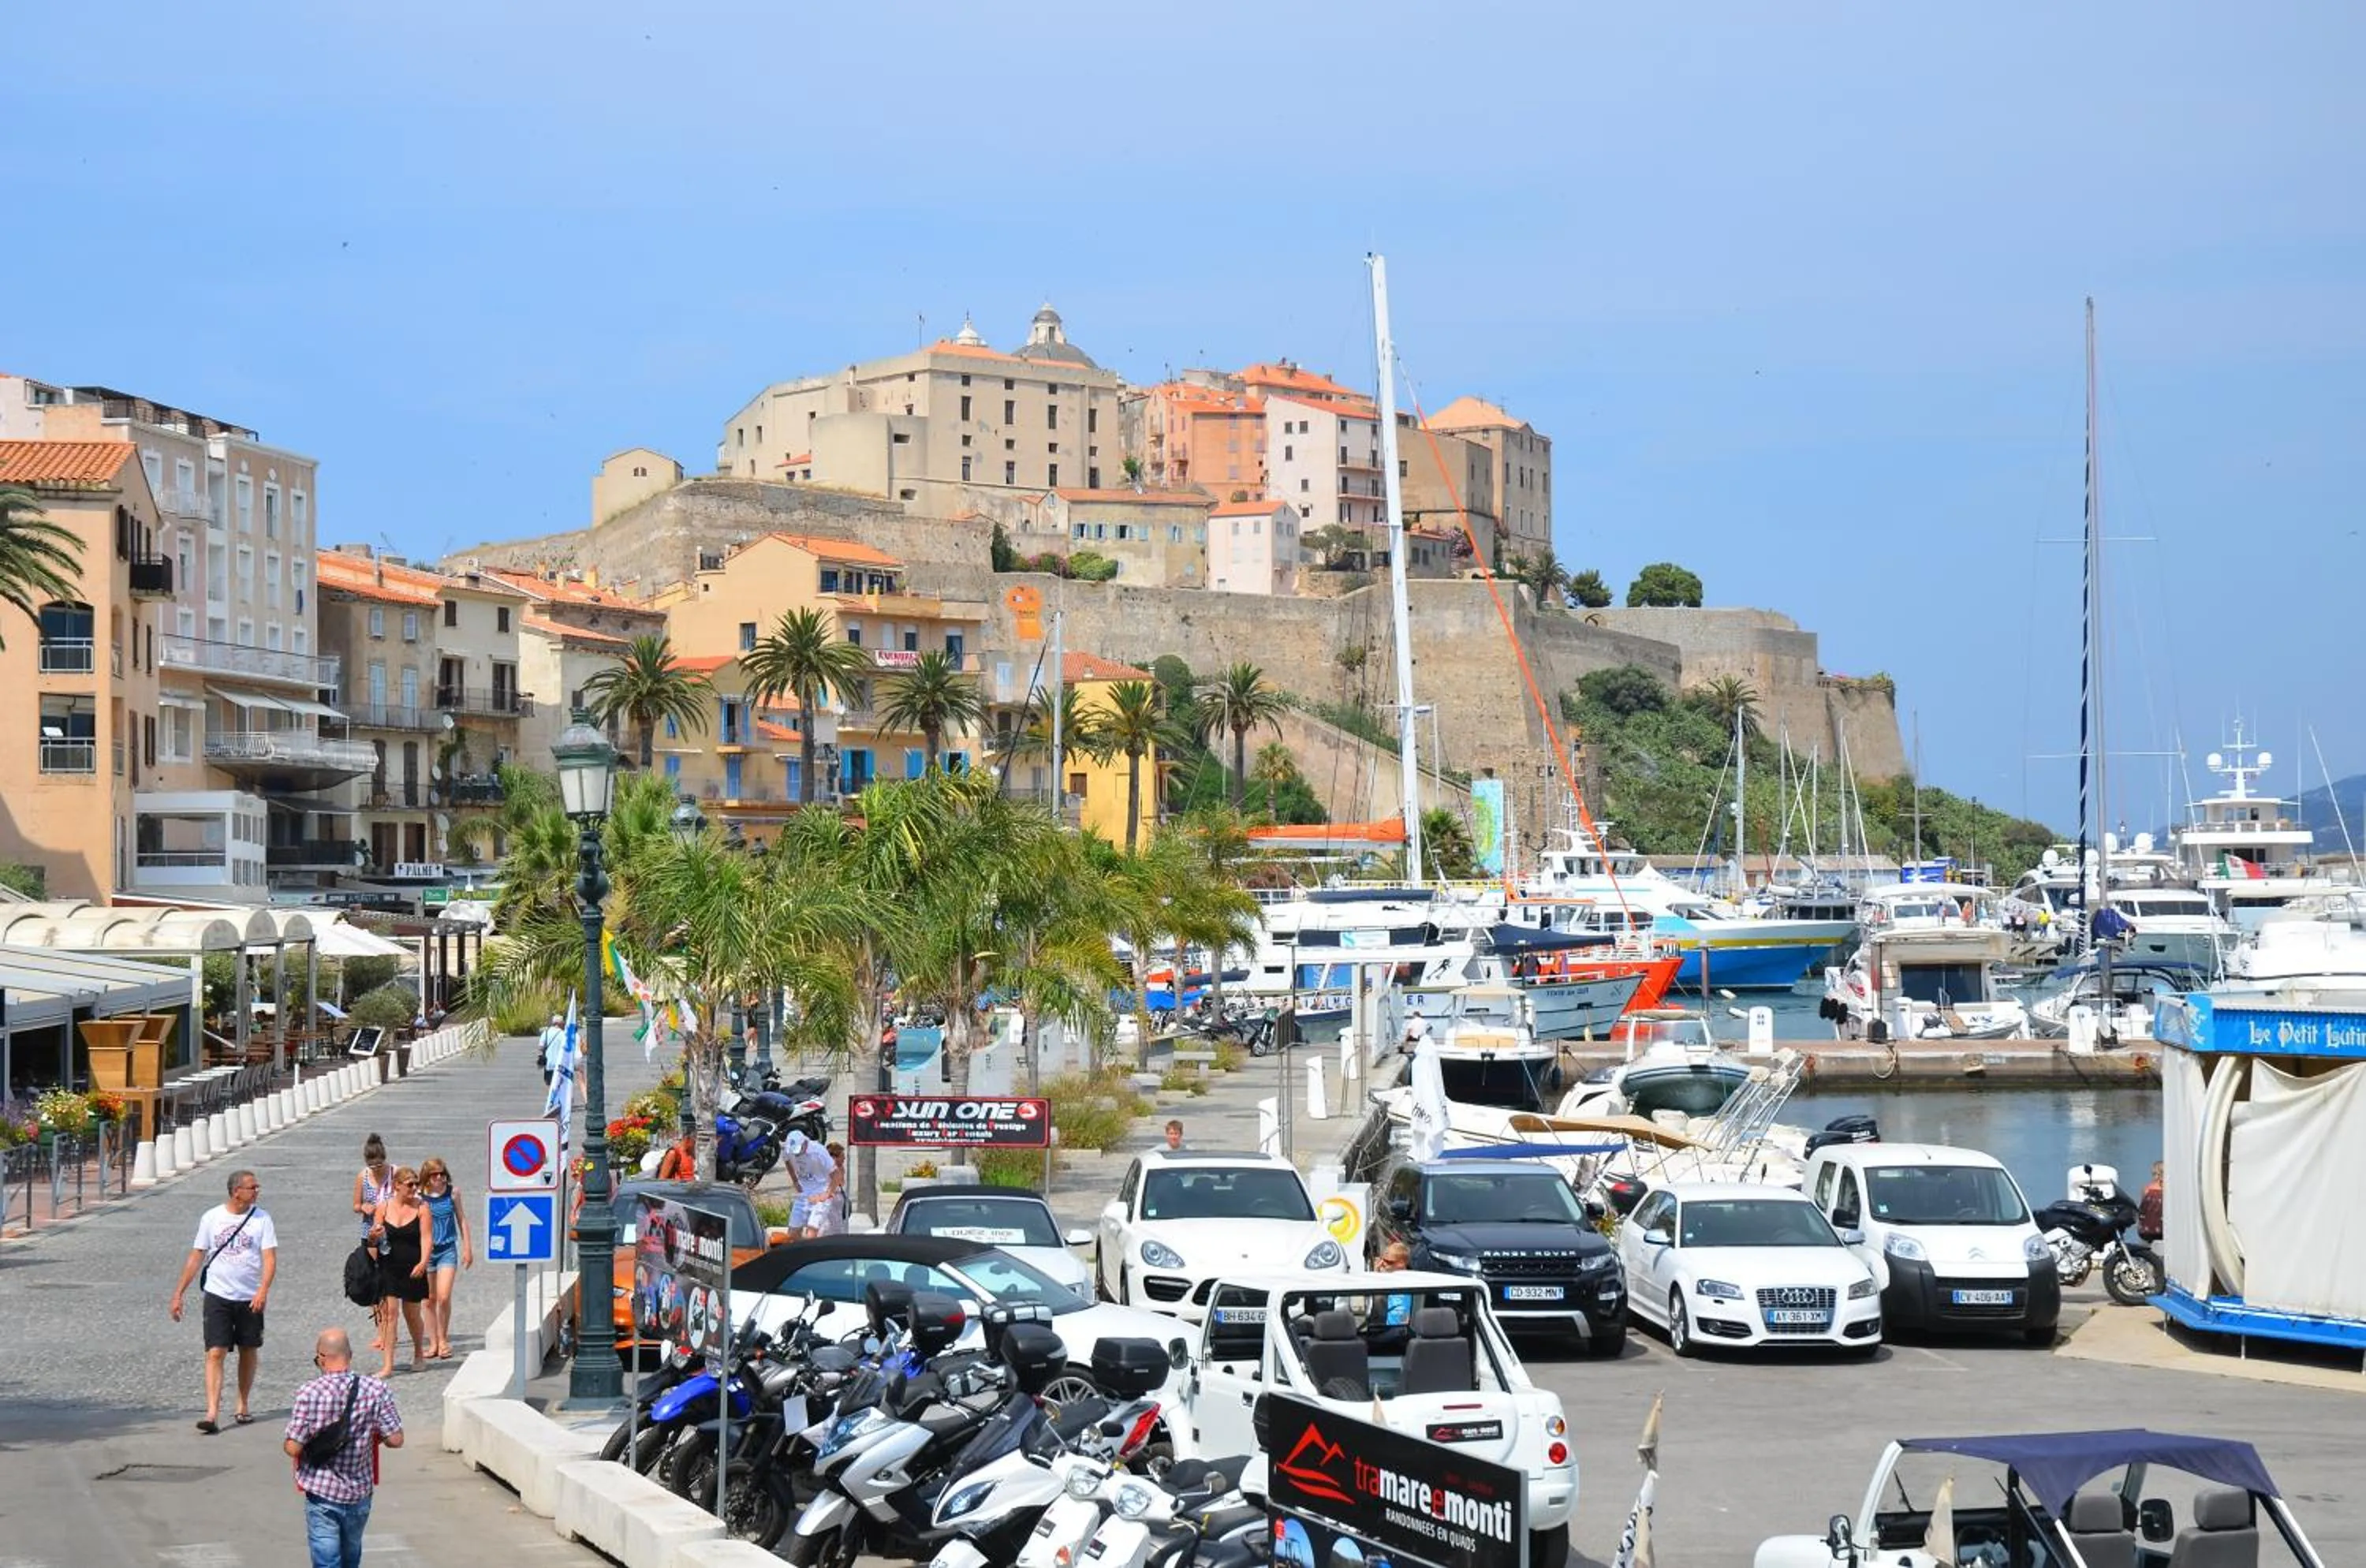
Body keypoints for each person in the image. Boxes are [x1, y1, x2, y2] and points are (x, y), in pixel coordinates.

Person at [170, 1167, 278, 1433]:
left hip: (249, 1295)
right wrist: (179, 1292)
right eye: (252, 1187)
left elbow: (269, 1258)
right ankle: (212, 1412)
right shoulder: (212, 1218)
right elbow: (197, 1255)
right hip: (217, 1294)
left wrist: (263, 1290)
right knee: (215, 1351)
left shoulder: (262, 1219)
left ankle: (243, 1403)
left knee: (248, 1349)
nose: (257, 1191)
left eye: (257, 1187)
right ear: (236, 1192)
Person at [284, 1327, 403, 1568]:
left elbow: (294, 1448)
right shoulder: (376, 1389)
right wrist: (371, 1435)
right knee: (351, 1556)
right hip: (360, 1491)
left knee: (327, 1560)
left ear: (322, 1358)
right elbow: (396, 1439)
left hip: (322, 1492)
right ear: (350, 1355)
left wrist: (291, 1443)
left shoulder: (309, 1393)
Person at [370, 1167, 431, 1376]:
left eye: (416, 1184)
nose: (415, 1188)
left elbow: (427, 1237)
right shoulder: (383, 1207)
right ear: (397, 1185)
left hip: (413, 1266)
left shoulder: (422, 1208)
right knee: (390, 1315)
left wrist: (423, 1262)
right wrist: (375, 1235)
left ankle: (419, 1354)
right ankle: (388, 1365)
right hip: (389, 1266)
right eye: (410, 1184)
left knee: (412, 1314)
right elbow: (374, 1239)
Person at [416, 1159, 472, 1361]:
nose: (439, 1177)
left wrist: (467, 1247)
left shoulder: (453, 1193)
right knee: (428, 1299)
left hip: (447, 1248)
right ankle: (433, 1342)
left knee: (444, 1296)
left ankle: (443, 1339)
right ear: (427, 1176)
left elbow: (462, 1219)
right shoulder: (419, 1196)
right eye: (434, 1174)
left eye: (441, 1173)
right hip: (426, 1252)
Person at [784, 1130, 837, 1236]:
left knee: (811, 1232)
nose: (796, 1154)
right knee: (792, 1233)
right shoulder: (787, 1150)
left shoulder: (818, 1151)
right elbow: (787, 1161)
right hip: (803, 1192)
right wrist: (795, 1181)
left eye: (799, 1151)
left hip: (821, 1190)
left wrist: (828, 1193)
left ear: (804, 1143)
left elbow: (836, 1174)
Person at [805, 1141, 849, 1237]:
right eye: (842, 1156)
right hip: (828, 1201)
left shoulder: (839, 1168)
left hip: (837, 1210)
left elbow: (841, 1183)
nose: (844, 1158)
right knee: (825, 1225)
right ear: (834, 1157)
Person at [538, 1014, 565, 1085]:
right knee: (560, 1084)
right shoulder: (563, 1034)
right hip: (560, 1063)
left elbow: (540, 1047)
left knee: (550, 1084)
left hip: (549, 1063)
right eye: (563, 1023)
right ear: (559, 1023)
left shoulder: (546, 1032)